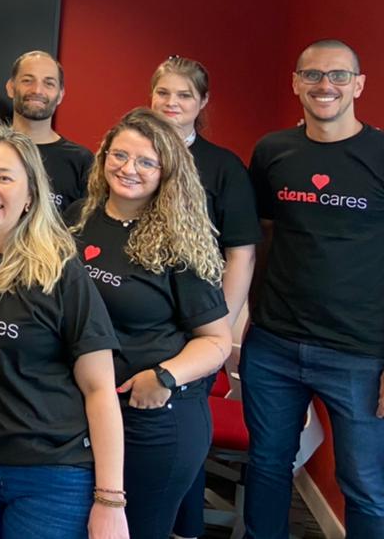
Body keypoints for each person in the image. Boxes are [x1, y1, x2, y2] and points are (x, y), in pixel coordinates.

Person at [0, 123, 127, 539]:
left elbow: (99, 388)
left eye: (4, 177)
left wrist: (110, 500)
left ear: (30, 193)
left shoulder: (58, 268)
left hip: (50, 473)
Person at [66, 109, 231, 539]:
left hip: (152, 420)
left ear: (166, 173)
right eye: (119, 155)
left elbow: (216, 340)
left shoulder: (179, 238)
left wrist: (164, 377)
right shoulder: (79, 218)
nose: (128, 169)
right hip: (79, 411)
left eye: (146, 162)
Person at [243, 39, 384, 538]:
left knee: (366, 486)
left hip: (361, 354)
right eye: (314, 75)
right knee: (267, 466)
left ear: (359, 85)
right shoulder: (272, 151)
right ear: (296, 83)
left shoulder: (380, 153)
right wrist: (246, 314)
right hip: (274, 345)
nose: (326, 85)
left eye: (339, 75)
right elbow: (257, 238)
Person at [148, 56, 259, 539]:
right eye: (164, 93)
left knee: (180, 437)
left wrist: (222, 331)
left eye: (184, 95)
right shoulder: (132, 154)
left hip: (195, 322)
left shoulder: (223, 167)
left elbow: (241, 253)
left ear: (202, 103)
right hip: (134, 318)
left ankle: (180, 529)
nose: (172, 104)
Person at [6, 50, 93, 212]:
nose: (37, 90)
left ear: (60, 95)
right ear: (11, 88)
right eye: (27, 80)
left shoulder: (81, 161)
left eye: (49, 83)